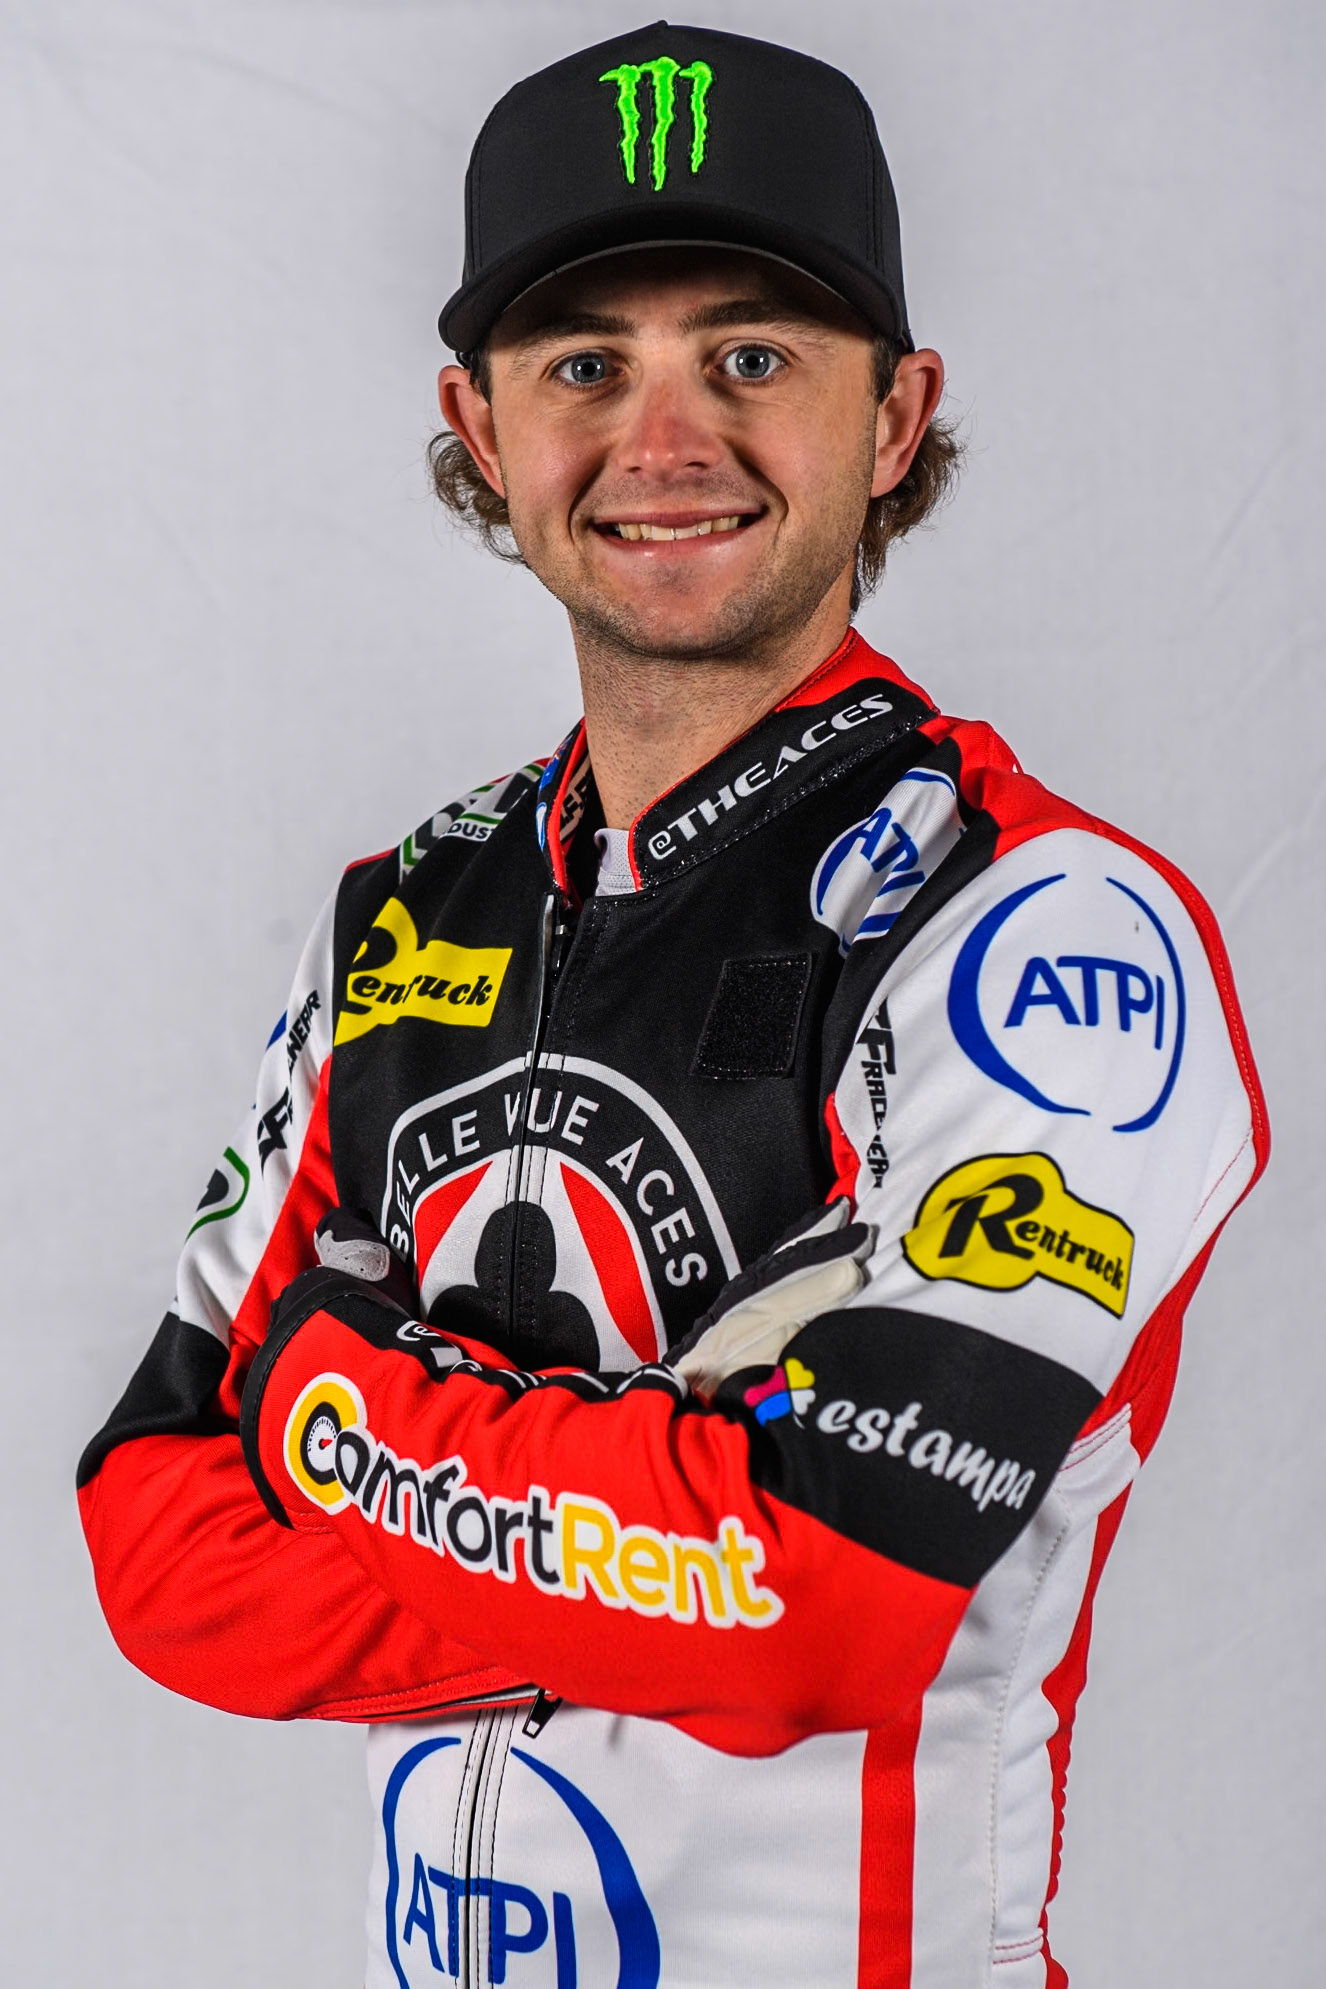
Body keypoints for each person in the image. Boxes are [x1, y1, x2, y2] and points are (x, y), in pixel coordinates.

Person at [78, 21, 1267, 1988]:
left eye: (751, 356)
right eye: (583, 366)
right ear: (478, 422)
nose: (665, 438)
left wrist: (332, 1397)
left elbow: (830, 1591)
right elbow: (154, 1537)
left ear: (896, 415)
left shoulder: (1045, 929)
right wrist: (664, 1511)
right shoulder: (399, 912)